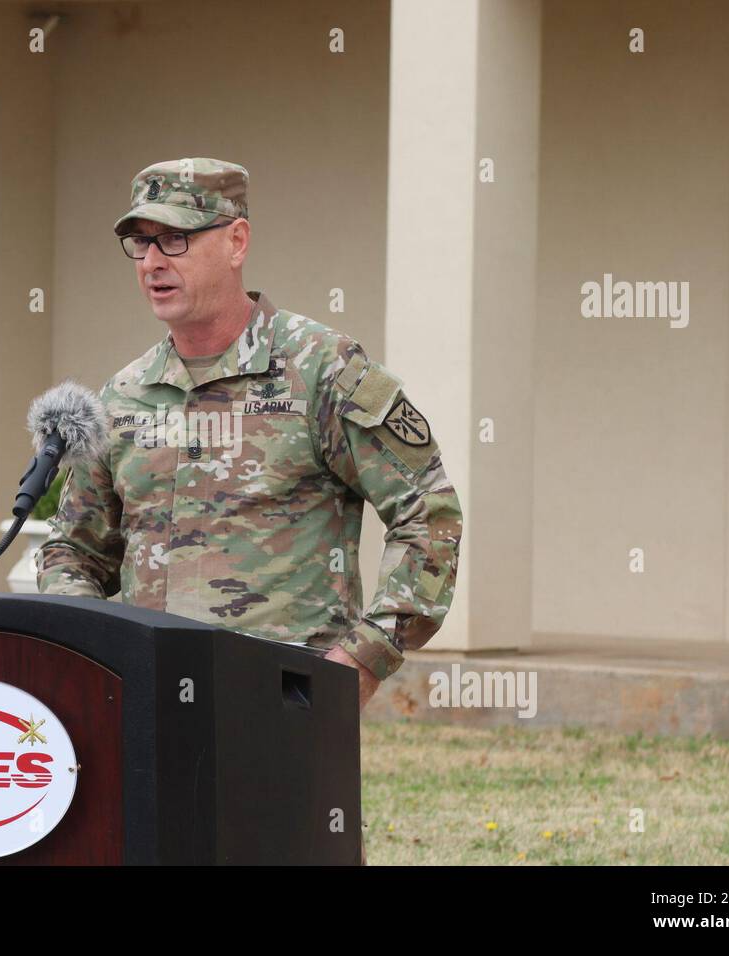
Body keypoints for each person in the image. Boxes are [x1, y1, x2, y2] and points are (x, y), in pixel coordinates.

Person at [37, 156, 462, 713]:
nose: (152, 262)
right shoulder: (125, 394)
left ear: (236, 242)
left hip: (284, 700)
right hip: (149, 701)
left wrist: (366, 656)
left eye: (176, 239)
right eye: (141, 243)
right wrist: (92, 651)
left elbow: (428, 513)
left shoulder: (321, 369)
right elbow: (74, 549)